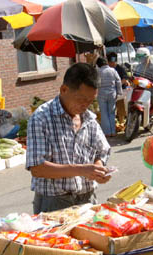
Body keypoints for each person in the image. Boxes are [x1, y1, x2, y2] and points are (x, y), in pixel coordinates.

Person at [26, 63, 111, 214]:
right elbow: (38, 168)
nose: (85, 105)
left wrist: (98, 168)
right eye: (81, 99)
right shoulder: (41, 118)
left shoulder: (89, 118)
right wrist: (82, 170)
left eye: (90, 101)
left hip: (87, 199)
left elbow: (102, 150)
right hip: (54, 203)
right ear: (64, 89)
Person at [133, 47, 153, 126]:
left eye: (142, 58)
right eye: (140, 58)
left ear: (147, 56)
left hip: (151, 88)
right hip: (140, 88)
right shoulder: (138, 66)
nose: (141, 60)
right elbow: (135, 76)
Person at [96, 57, 123, 137]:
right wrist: (119, 92)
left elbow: (96, 83)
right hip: (112, 93)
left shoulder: (98, 72)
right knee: (111, 112)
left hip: (101, 93)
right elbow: (118, 81)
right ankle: (113, 131)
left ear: (98, 65)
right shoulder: (113, 70)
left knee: (104, 113)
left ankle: (107, 132)